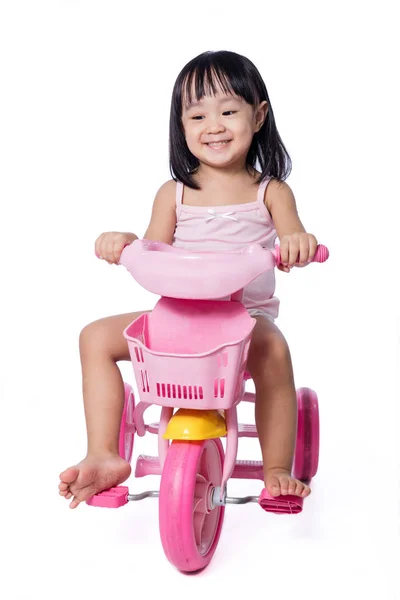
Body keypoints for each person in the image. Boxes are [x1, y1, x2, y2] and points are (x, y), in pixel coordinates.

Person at [59, 50, 318, 509]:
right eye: (197, 115)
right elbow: (153, 249)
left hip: (244, 317)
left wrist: (296, 243)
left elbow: (292, 234)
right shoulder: (173, 193)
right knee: (94, 337)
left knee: (274, 351)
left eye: (228, 111)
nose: (212, 125)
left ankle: (276, 467)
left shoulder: (271, 191)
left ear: (258, 116)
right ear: (181, 126)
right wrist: (125, 243)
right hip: (179, 313)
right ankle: (103, 451)